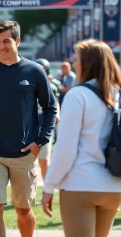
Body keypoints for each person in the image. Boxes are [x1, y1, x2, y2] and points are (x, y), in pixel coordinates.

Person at [0, 20, 57, 237]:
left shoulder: (35, 71)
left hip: (24, 152)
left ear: (17, 41)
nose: (1, 46)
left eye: (6, 41)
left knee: (24, 211)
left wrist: (40, 142)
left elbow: (50, 108)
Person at [42, 39, 121, 237]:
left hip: (80, 184)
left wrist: (49, 185)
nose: (75, 64)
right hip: (114, 185)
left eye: (77, 59)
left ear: (88, 64)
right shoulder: (118, 94)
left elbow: (66, 149)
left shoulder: (78, 95)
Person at [34, 58, 60, 180]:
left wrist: (57, 115)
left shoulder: (52, 87)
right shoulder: (27, 84)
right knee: (28, 162)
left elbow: (55, 103)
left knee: (44, 161)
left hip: (45, 126)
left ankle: (46, 187)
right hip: (30, 127)